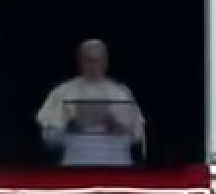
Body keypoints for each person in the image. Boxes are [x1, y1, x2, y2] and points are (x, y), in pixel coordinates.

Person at [37, 39, 145, 167]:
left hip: (116, 164)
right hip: (78, 164)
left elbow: (137, 137)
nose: (94, 65)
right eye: (88, 60)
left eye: (98, 60)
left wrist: (116, 126)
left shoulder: (122, 93)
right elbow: (48, 139)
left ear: (106, 62)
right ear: (80, 62)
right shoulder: (63, 92)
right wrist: (72, 125)